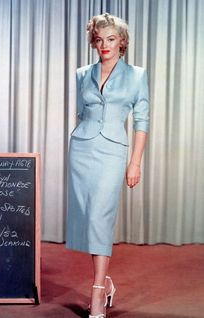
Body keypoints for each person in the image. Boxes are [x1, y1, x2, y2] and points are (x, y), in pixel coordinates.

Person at [66, 12, 149, 318]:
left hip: (113, 153)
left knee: (101, 216)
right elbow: (81, 113)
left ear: (122, 42)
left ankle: (98, 292)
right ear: (94, 41)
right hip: (81, 151)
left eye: (111, 39)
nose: (105, 45)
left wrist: (135, 162)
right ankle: (107, 282)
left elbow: (142, 121)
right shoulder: (81, 74)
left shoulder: (137, 76)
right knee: (89, 219)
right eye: (99, 39)